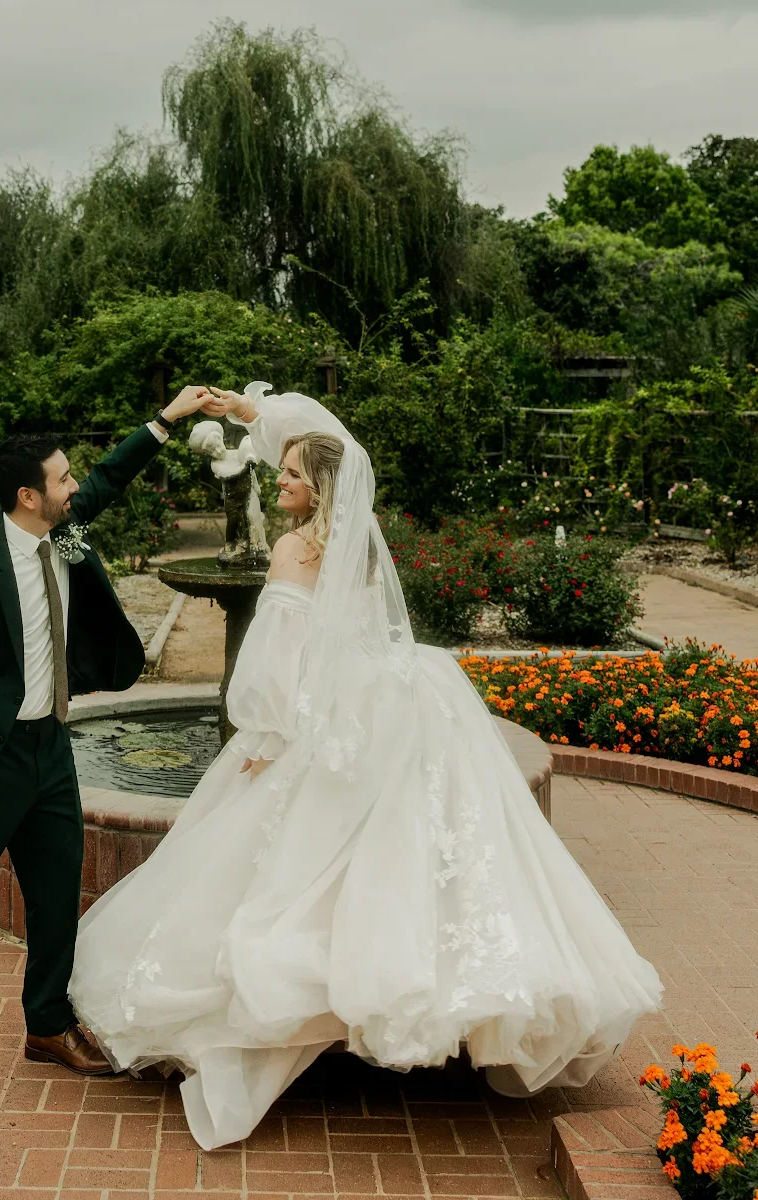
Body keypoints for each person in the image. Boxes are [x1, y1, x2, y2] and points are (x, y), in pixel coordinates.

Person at [69, 383, 663, 1150]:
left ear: (312, 488)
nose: (274, 481)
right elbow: (352, 615)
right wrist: (253, 415)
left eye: (286, 475)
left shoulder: (291, 547)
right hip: (387, 697)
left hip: (319, 717)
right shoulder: (359, 530)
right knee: (410, 857)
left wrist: (264, 735)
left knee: (284, 873)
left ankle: (288, 1020)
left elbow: (277, 660)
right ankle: (423, 1003)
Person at [0, 385, 215, 1095]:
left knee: (53, 896)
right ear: (27, 497)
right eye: (62, 478)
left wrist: (169, 418)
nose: (75, 486)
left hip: (52, 754)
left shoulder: (62, 533)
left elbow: (108, 478)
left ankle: (46, 1023)